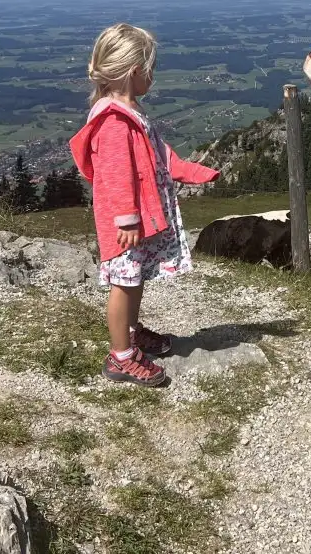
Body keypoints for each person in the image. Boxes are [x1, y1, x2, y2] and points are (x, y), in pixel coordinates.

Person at [69, 22, 220, 387]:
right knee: (123, 284)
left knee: (133, 279)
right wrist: (126, 220)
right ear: (135, 72)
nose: (153, 76)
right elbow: (116, 175)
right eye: (151, 69)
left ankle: (131, 333)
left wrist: (191, 171)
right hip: (124, 226)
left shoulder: (130, 112)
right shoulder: (114, 122)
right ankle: (121, 357)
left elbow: (158, 155)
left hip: (133, 221)